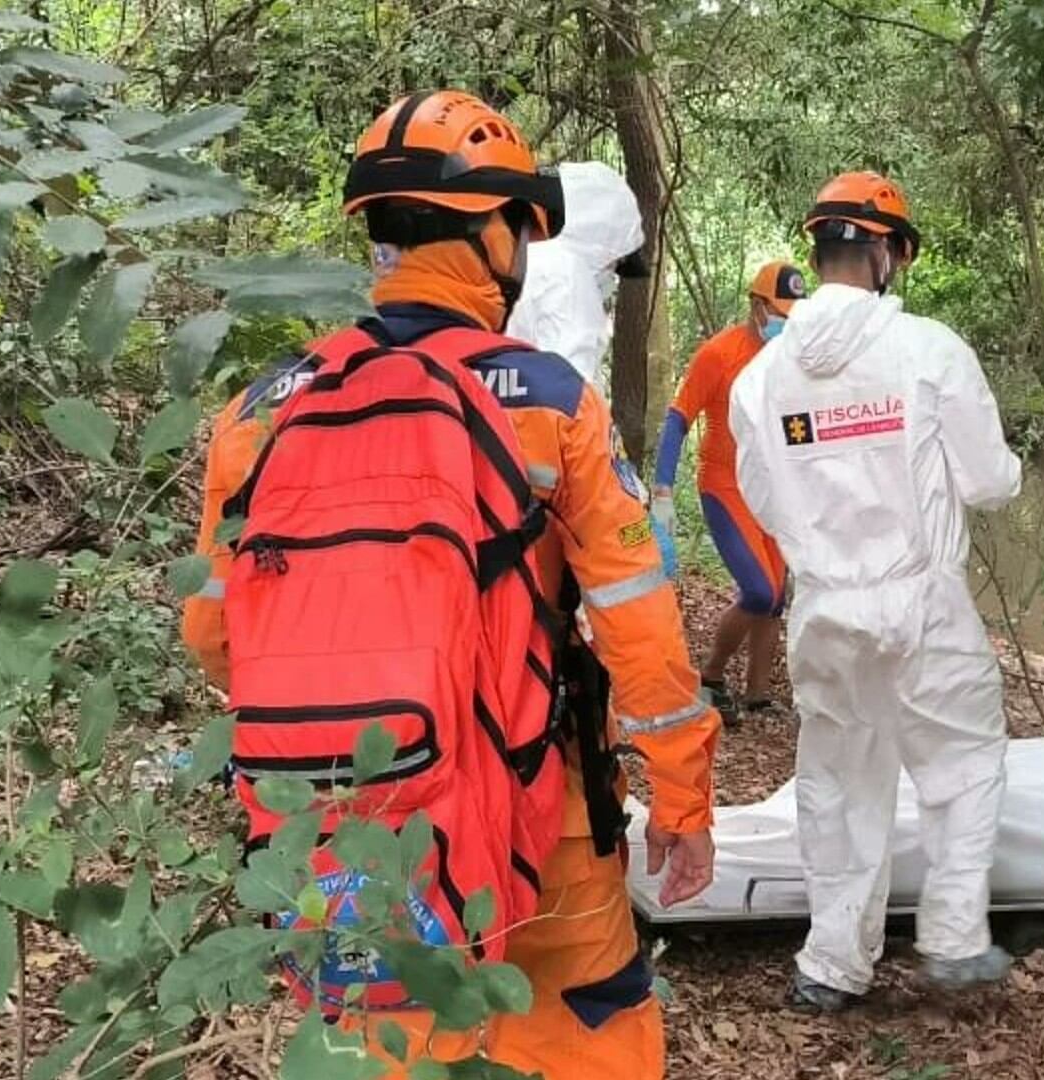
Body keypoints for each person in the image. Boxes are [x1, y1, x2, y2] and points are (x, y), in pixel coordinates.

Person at [181, 91, 721, 1079]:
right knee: (583, 1029)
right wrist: (682, 799)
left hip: (337, 828)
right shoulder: (550, 401)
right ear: (489, 232)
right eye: (519, 225)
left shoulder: (257, 415)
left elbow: (219, 639)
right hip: (536, 819)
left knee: (387, 1047)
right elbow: (640, 632)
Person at [727, 171, 1023, 1012]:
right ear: (888, 254)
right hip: (919, 601)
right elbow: (988, 479)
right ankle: (955, 938)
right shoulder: (928, 350)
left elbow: (764, 495)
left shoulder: (761, 380)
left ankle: (830, 966)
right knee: (962, 762)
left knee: (839, 782)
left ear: (820, 252)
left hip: (824, 608)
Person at [651, 261, 808, 717]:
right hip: (724, 485)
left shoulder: (793, 356)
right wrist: (662, 489)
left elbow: (796, 422)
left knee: (777, 594)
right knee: (759, 591)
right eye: (779, 311)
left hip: (773, 486)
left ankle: (758, 695)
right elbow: (678, 418)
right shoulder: (719, 354)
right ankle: (712, 676)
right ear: (757, 306)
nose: (786, 322)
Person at [506, 160, 646, 386]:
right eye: (615, 263)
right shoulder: (568, 278)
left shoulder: (516, 256)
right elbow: (569, 390)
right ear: (600, 242)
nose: (612, 276)